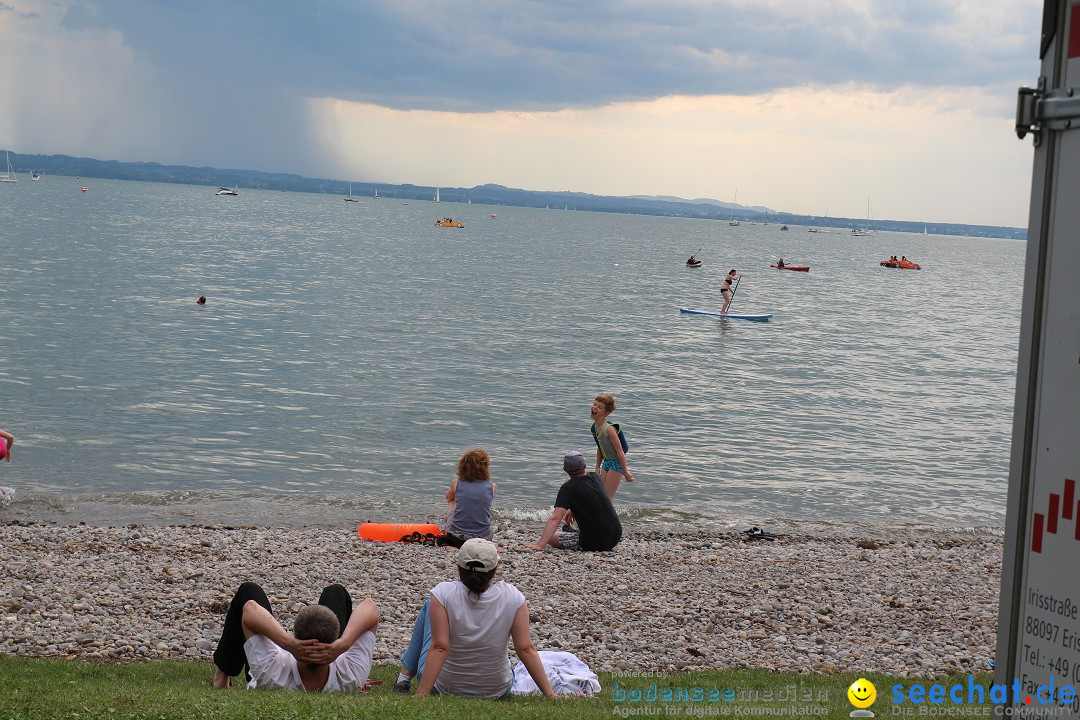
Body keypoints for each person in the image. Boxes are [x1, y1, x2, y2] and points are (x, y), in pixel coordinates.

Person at [393, 538, 557, 699]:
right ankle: (404, 678)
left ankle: (404, 678)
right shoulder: (513, 596)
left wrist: (421, 695)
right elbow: (526, 649)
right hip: (497, 690)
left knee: (431, 604)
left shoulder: (443, 593)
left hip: (445, 686)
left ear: (460, 567)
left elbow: (440, 648)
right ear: (494, 569)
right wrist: (550, 694)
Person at [210, 581, 378, 692]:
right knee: (335, 591)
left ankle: (223, 676)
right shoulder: (351, 676)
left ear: (296, 636)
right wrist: (343, 644)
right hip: (336, 666)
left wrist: (288, 643)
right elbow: (370, 606)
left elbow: (250, 608)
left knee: (248, 589)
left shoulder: (270, 675)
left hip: (271, 661)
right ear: (334, 639)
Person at [526, 450, 622, 552]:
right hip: (615, 536)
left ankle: (575, 535)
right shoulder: (596, 477)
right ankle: (575, 532)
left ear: (565, 469)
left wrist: (540, 545)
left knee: (550, 537)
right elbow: (594, 499)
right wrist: (572, 509)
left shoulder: (567, 488)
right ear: (584, 466)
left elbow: (555, 518)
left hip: (594, 543)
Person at [443, 448, 496, 545]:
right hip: (484, 536)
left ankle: (447, 527)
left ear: (463, 466)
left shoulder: (456, 483)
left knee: (453, 501)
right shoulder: (492, 486)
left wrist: (449, 493)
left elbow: (449, 498)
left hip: (456, 534)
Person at [589, 393, 634, 498]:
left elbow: (619, 451)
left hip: (616, 463)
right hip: (607, 462)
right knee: (601, 495)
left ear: (605, 413)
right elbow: (600, 448)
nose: (595, 407)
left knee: (607, 498)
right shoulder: (594, 427)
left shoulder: (609, 429)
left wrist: (626, 471)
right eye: (594, 404)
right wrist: (597, 467)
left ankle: (608, 514)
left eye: (599, 407)